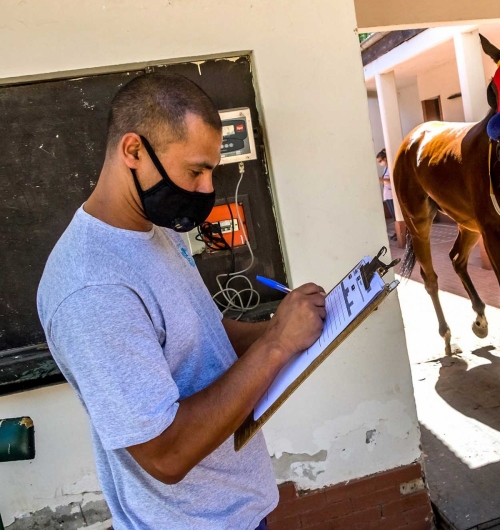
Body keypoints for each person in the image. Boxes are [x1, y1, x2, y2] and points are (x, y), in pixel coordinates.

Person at [37, 73, 326, 529]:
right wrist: (276, 346)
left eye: (213, 170)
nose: (206, 189)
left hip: (239, 513)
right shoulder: (93, 289)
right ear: (133, 151)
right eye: (195, 170)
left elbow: (197, 330)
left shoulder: (156, 231)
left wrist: (281, 330)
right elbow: (165, 455)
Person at [376, 149, 397, 241]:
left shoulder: (391, 167)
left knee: (396, 215)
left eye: (380, 161)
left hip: (392, 194)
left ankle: (401, 233)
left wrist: (382, 180)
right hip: (387, 194)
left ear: (385, 158)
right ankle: (397, 232)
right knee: (392, 214)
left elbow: (392, 180)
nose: (380, 163)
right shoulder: (385, 168)